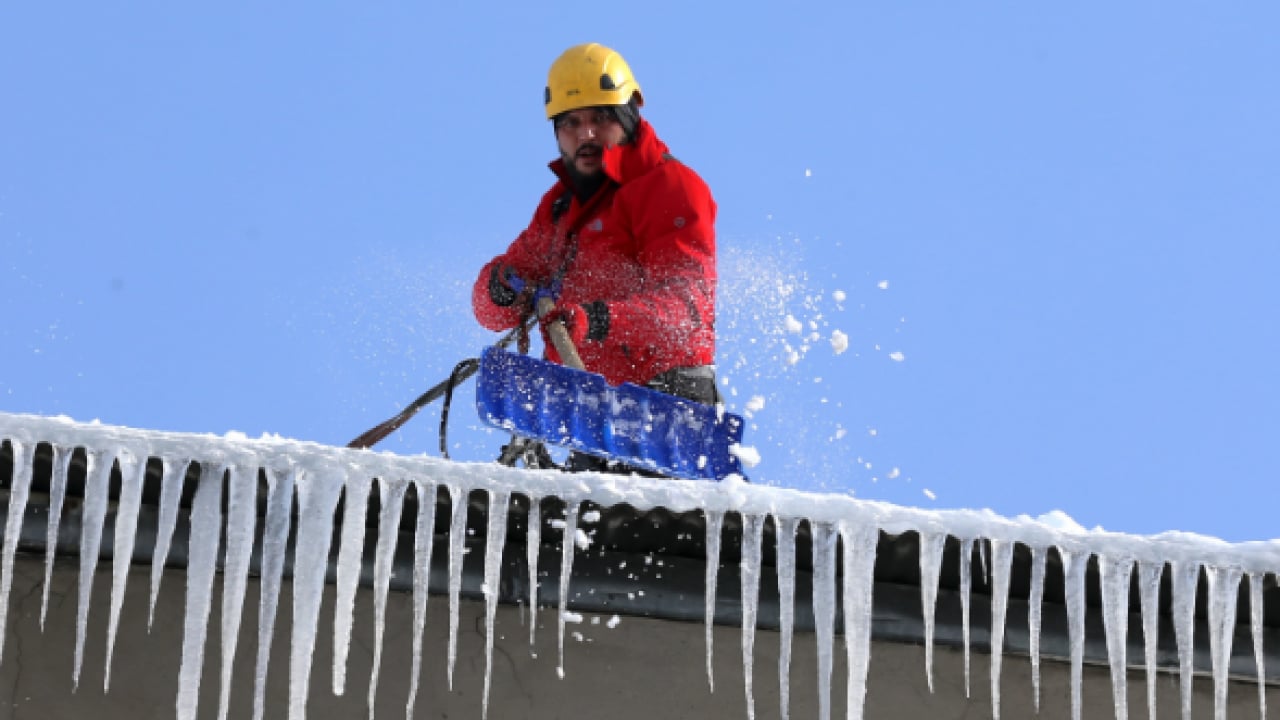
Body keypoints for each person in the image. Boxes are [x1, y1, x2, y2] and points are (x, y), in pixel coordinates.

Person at [472, 42, 719, 472]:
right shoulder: (560, 207)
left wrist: (596, 320)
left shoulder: (670, 187)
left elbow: (687, 311)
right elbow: (493, 310)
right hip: (592, 420)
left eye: (600, 118)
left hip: (667, 415)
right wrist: (500, 286)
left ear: (628, 115)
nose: (585, 134)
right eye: (571, 123)